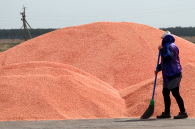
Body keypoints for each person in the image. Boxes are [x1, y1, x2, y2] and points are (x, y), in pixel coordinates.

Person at [155, 31, 188, 119]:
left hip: (174, 73)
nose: (162, 40)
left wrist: (161, 50)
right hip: (167, 74)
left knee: (175, 92)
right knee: (165, 92)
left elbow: (168, 57)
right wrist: (158, 68)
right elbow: (166, 61)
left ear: (166, 38)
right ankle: (167, 112)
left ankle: (183, 112)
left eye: (163, 38)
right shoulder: (168, 46)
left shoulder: (170, 46)